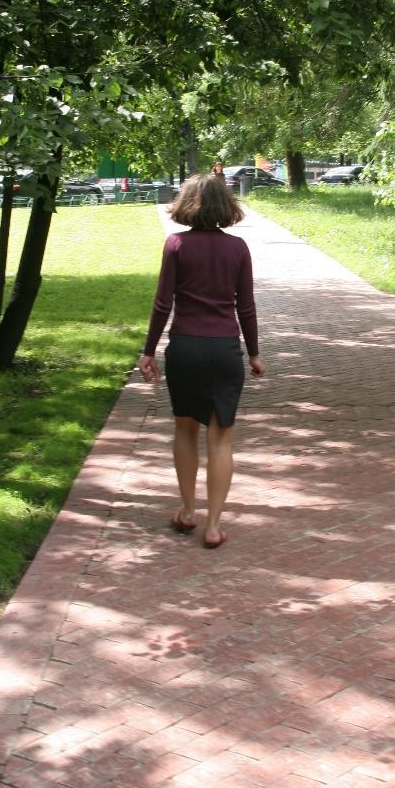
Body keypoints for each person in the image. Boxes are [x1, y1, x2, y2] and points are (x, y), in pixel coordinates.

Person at [139, 173, 266, 548]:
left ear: (187, 204)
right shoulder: (238, 248)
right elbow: (246, 306)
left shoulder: (175, 244)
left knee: (184, 429)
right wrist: (255, 353)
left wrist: (148, 351)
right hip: (224, 349)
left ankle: (187, 510)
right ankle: (213, 526)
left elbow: (163, 304)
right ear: (225, 205)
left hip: (185, 348)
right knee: (221, 437)